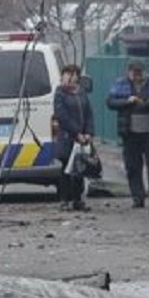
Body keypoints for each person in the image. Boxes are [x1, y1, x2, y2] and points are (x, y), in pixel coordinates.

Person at [106, 60, 149, 208]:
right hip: (129, 132)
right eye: (134, 73)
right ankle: (138, 197)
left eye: (140, 72)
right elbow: (110, 102)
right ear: (129, 72)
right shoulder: (120, 84)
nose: (137, 76)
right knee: (132, 166)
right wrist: (126, 101)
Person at [53, 64, 94, 212]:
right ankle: (64, 200)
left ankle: (78, 199)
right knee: (66, 169)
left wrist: (89, 132)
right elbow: (62, 116)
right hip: (67, 137)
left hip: (82, 138)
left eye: (74, 74)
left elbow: (89, 113)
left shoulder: (81, 93)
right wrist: (76, 133)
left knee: (80, 168)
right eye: (68, 74)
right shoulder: (60, 93)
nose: (71, 77)